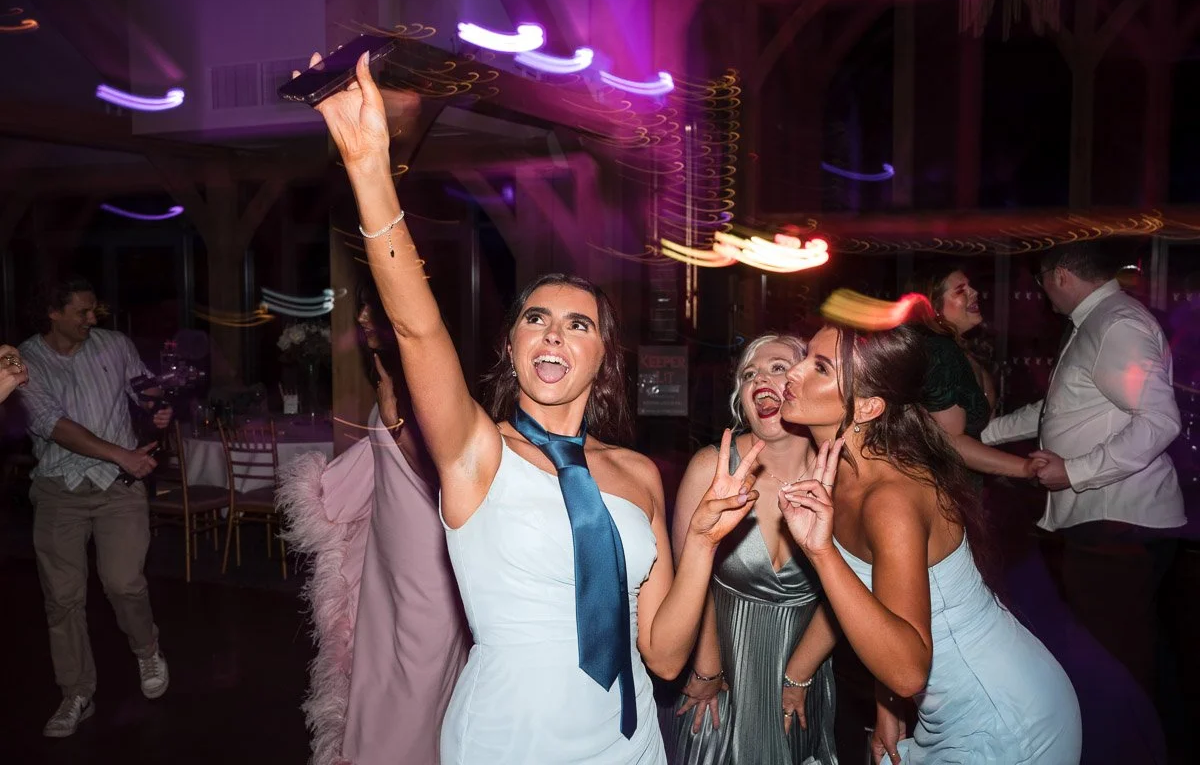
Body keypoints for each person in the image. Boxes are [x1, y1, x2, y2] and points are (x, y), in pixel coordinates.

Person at [306, 50, 764, 763]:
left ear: (602, 357)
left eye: (578, 324)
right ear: (513, 347)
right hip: (505, 741)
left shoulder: (639, 473)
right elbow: (416, 327)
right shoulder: (475, 453)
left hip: (628, 743)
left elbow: (665, 656)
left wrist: (703, 542)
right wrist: (370, 171)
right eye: (536, 319)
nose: (555, 332)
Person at [776, 318, 1081, 764]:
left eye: (820, 368)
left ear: (867, 408)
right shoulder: (840, 471)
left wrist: (820, 553)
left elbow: (907, 671)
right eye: (804, 357)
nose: (794, 373)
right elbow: (882, 604)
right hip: (951, 710)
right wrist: (886, 706)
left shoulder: (891, 500)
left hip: (1004, 718)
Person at [982, 240, 1185, 697]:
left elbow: (1160, 420)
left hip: (1119, 524)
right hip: (1109, 523)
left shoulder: (1116, 325)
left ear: (1060, 276)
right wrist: (984, 436)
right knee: (1131, 651)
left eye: (1041, 281)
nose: (1041, 293)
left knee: (1117, 661)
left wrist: (1075, 471)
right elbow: (1057, 409)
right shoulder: (1098, 321)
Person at [278, 283, 469, 765]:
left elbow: (450, 475)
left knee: (415, 687)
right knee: (378, 679)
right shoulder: (391, 373)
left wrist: (397, 426)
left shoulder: (434, 381)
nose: (361, 317)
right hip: (391, 558)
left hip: (430, 568)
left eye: (372, 307)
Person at [670, 334, 837, 765]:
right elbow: (689, 580)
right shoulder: (711, 468)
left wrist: (799, 677)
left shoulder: (841, 477)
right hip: (725, 673)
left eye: (778, 367)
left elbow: (856, 588)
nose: (760, 378)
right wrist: (707, 667)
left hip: (806, 669)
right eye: (749, 374)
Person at [16, 277, 172, 738]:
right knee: (63, 600)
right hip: (58, 489)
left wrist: (155, 404)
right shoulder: (23, 361)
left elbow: (143, 388)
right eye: (82, 311)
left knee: (124, 583)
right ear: (53, 312)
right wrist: (123, 453)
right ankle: (76, 694)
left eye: (93, 311)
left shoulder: (115, 345)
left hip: (117, 489)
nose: (92, 318)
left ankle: (147, 650)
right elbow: (54, 425)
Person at [907, 265, 1044, 480]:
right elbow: (951, 441)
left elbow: (979, 433)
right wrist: (1025, 467)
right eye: (961, 290)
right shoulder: (939, 351)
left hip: (963, 486)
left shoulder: (962, 351)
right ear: (933, 306)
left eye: (970, 286)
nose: (975, 293)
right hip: (940, 486)